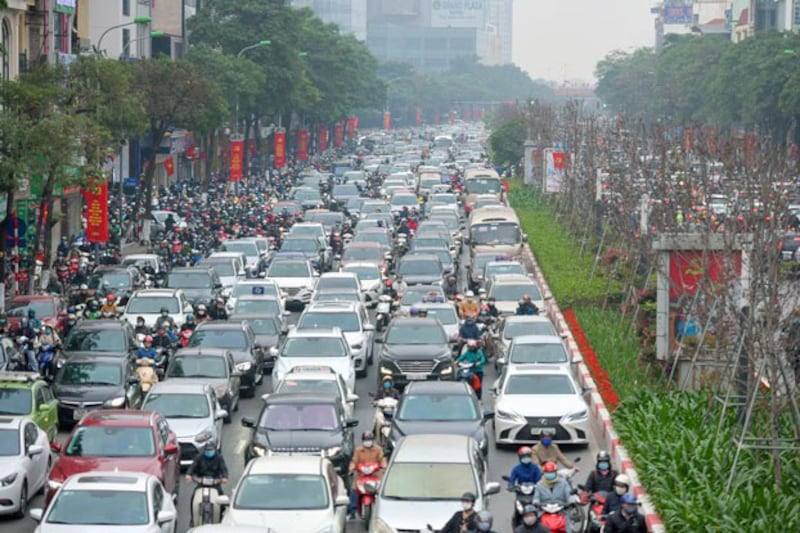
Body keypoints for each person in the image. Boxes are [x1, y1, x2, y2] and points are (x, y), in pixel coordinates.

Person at [348, 431, 387, 520]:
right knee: (354, 490)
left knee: (382, 491)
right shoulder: (358, 450)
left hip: (375, 476)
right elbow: (354, 461)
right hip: (361, 476)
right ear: (362, 441)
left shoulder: (378, 449)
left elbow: (382, 459)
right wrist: (352, 467)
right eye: (366, 440)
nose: (368, 442)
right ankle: (352, 511)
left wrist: (384, 465)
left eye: (369, 440)